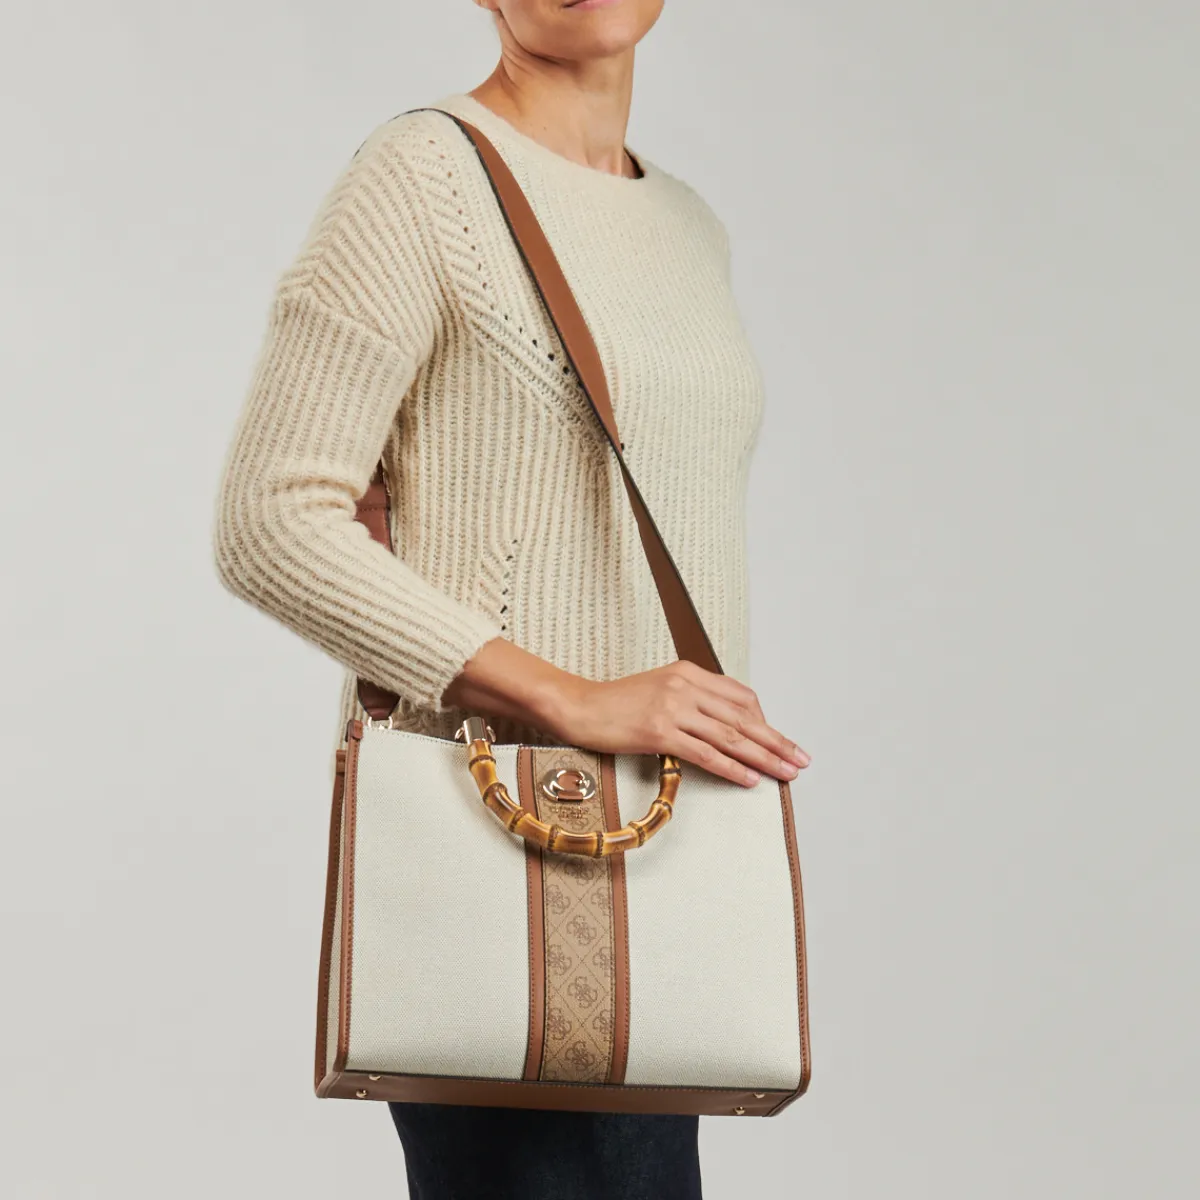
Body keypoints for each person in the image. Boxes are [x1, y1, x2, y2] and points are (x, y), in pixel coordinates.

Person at [212, 1, 811, 1196]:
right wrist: (572, 697)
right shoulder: (420, 179)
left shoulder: (688, 224)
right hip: (504, 855)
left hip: (665, 860)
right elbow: (269, 519)